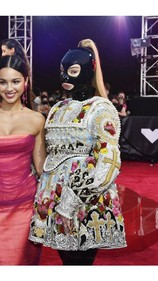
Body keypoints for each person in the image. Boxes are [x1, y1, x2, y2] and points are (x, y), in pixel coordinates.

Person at [29, 39, 127, 265]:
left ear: (88, 71)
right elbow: (49, 156)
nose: (65, 78)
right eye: (63, 71)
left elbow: (109, 161)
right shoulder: (57, 108)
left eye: (72, 71)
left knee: (78, 264)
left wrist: (70, 203)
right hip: (54, 199)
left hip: (84, 202)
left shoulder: (100, 108)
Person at [0, 55, 46, 265]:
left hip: (27, 207)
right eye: (3, 82)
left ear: (25, 82)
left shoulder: (36, 119)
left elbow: (41, 169)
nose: (9, 88)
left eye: (15, 81)